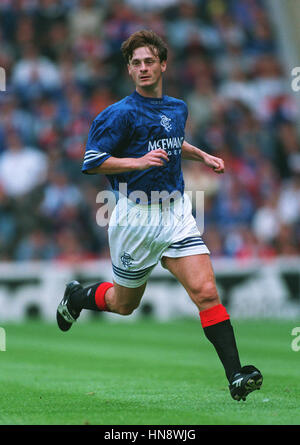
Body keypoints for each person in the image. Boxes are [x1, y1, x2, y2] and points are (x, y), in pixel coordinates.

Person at [56, 30, 263, 402]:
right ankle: (77, 296)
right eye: (136, 63)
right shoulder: (117, 114)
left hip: (175, 213)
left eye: (149, 61)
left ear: (163, 64)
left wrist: (203, 156)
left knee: (206, 291)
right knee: (123, 304)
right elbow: (91, 161)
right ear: (129, 70)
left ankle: (235, 375)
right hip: (135, 218)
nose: (143, 68)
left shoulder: (177, 108)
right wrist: (136, 162)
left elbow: (171, 140)